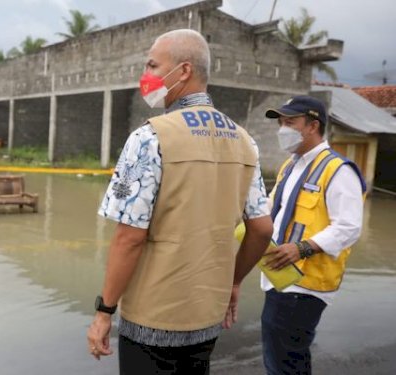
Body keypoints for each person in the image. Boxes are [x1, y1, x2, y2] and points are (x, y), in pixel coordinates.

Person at [87, 29, 273, 374]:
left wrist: (104, 312)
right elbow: (261, 229)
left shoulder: (150, 137)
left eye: (153, 65)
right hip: (208, 314)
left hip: (152, 318)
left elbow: (129, 237)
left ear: (184, 70)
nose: (147, 75)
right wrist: (233, 282)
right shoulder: (246, 142)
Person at [261, 96, 365, 374]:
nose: (282, 129)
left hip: (305, 283)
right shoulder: (290, 166)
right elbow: (271, 209)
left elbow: (349, 227)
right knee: (288, 358)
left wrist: (302, 248)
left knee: (282, 362)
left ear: (312, 126)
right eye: (281, 122)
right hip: (279, 277)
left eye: (290, 122)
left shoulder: (338, 170)